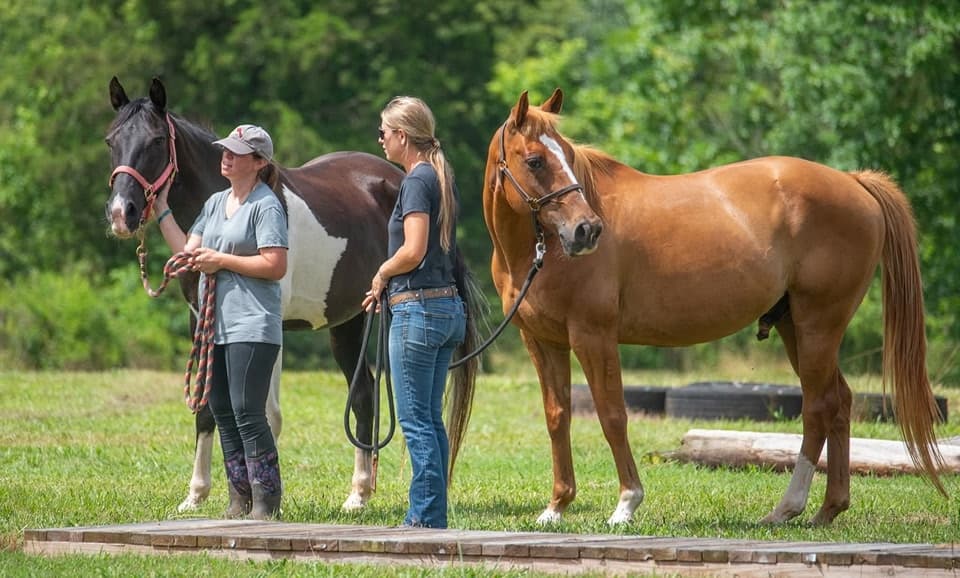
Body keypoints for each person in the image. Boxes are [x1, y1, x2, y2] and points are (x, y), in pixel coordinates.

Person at [153, 124, 288, 520]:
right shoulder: (214, 203)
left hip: (253, 323)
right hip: (217, 326)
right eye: (225, 150)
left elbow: (275, 264)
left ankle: (266, 501)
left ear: (259, 162)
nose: (226, 156)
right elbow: (187, 251)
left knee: (248, 409)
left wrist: (222, 261)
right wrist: (161, 210)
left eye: (236, 152)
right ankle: (239, 497)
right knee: (222, 409)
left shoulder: (266, 206)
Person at [362, 96, 467, 528]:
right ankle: (433, 513)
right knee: (431, 420)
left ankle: (423, 519)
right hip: (445, 309)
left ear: (402, 136)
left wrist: (381, 273)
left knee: (415, 421)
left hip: (417, 312)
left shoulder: (417, 181)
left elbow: (413, 248)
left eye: (384, 133)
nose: (381, 140)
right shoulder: (440, 178)